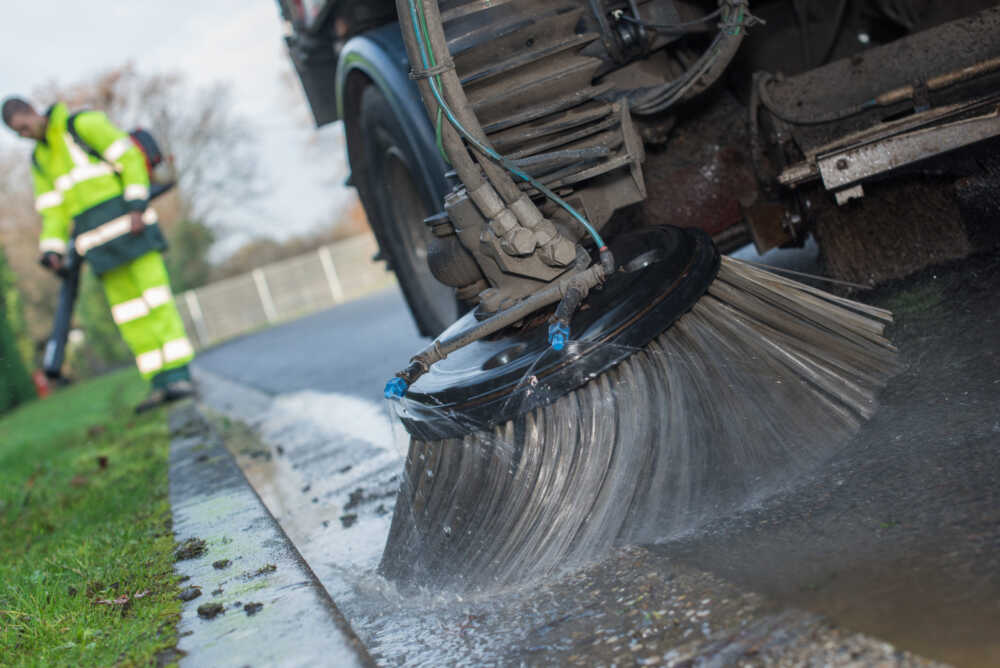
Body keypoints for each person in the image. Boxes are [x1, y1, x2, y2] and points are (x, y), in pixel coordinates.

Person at [2, 96, 195, 412]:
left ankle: (179, 375)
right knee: (130, 315)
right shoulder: (40, 161)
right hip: (99, 249)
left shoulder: (81, 125)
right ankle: (159, 383)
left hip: (134, 232)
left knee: (156, 302)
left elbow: (130, 159)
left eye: (24, 127)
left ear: (31, 112)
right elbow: (52, 212)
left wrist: (136, 204)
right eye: (18, 134)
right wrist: (51, 249)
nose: (25, 135)